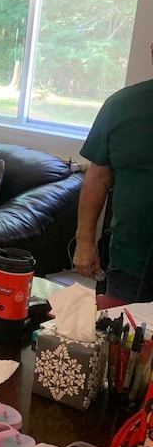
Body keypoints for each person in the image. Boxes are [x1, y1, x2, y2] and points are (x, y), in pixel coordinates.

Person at [73, 43, 153, 302]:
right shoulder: (121, 106)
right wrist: (84, 242)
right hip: (129, 265)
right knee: (121, 339)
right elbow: (97, 178)